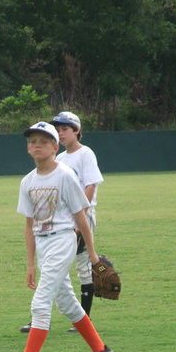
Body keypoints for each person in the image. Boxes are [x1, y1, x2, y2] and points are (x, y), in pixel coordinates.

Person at [0, 121, 117, 352]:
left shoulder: (65, 175)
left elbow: (80, 217)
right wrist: (30, 264)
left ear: (55, 147)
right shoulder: (27, 181)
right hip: (43, 244)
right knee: (68, 305)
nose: (36, 145)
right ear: (28, 148)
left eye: (43, 141)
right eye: (32, 141)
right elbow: (29, 225)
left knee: (40, 304)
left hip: (63, 240)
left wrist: (93, 255)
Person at [21, 111, 104, 333]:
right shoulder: (58, 159)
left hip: (79, 217)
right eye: (58, 129)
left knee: (83, 267)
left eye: (65, 128)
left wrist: (80, 216)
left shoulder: (85, 153)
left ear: (77, 130)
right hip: (56, 224)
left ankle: (77, 315)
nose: (61, 132)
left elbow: (90, 185)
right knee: (58, 274)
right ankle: (46, 315)